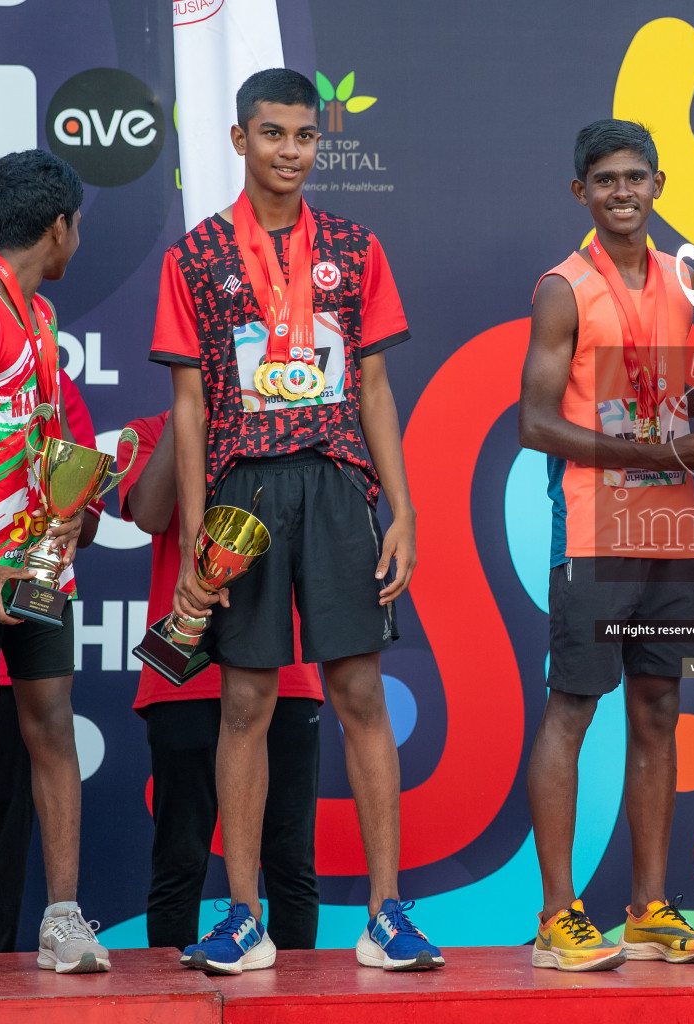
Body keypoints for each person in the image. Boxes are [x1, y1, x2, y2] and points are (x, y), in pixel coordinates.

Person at [148, 69, 440, 974]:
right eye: (271, 133)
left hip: (337, 486)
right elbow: (189, 409)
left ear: (321, 143)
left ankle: (388, 916)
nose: (289, 151)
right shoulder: (194, 256)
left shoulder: (355, 248)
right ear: (240, 140)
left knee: (358, 695)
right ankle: (243, 916)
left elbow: (378, 387)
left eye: (304, 136)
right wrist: (199, 533)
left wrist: (403, 509)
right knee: (245, 701)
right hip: (245, 495)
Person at [517, 119, 694, 972]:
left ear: (658, 184)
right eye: (604, 180)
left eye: (634, 177)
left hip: (673, 529)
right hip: (596, 531)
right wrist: (652, 451)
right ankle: (558, 915)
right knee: (572, 710)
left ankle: (648, 907)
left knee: (658, 710)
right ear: (582, 193)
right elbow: (535, 422)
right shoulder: (564, 288)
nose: (621, 192)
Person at [0, 150, 110, 974]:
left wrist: (76, 509)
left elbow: (45, 437)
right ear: (58, 227)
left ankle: (63, 920)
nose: (76, 242)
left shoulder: (45, 321)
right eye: (77, 228)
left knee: (51, 725)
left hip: (39, 565)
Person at [118, 410, 322, 951]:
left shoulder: (283, 423)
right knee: (180, 859)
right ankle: (169, 1008)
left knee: (289, 860)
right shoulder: (147, 432)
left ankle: (295, 1008)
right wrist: (196, 408)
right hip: (184, 680)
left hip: (284, 674)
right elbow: (149, 513)